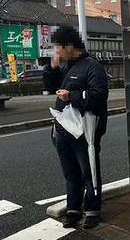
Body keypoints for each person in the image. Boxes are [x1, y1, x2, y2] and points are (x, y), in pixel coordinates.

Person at [43, 26, 109, 229]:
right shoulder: (64, 67)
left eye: (58, 48)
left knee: (89, 172)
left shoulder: (92, 67)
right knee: (70, 173)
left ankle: (92, 210)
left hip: (84, 132)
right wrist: (51, 67)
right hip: (63, 129)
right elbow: (49, 88)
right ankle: (73, 209)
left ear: (70, 46)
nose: (57, 52)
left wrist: (71, 96)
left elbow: (98, 96)